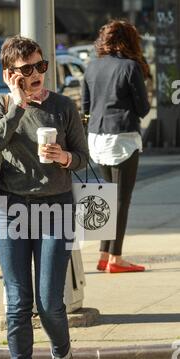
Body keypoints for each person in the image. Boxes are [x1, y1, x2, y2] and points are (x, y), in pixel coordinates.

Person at [0, 35, 89, 359]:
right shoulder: (0, 104)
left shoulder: (62, 106)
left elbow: (83, 156)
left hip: (54, 208)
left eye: (41, 66)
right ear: (11, 74)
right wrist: (16, 105)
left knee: (49, 303)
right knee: (16, 304)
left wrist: (64, 157)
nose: (37, 74)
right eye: (27, 69)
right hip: (9, 209)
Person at [82, 19, 150, 274]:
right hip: (122, 136)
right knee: (122, 199)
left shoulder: (92, 67)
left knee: (107, 197)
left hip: (97, 137)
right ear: (129, 40)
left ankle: (103, 253)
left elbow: (86, 107)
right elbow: (143, 108)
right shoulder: (130, 67)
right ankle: (116, 258)